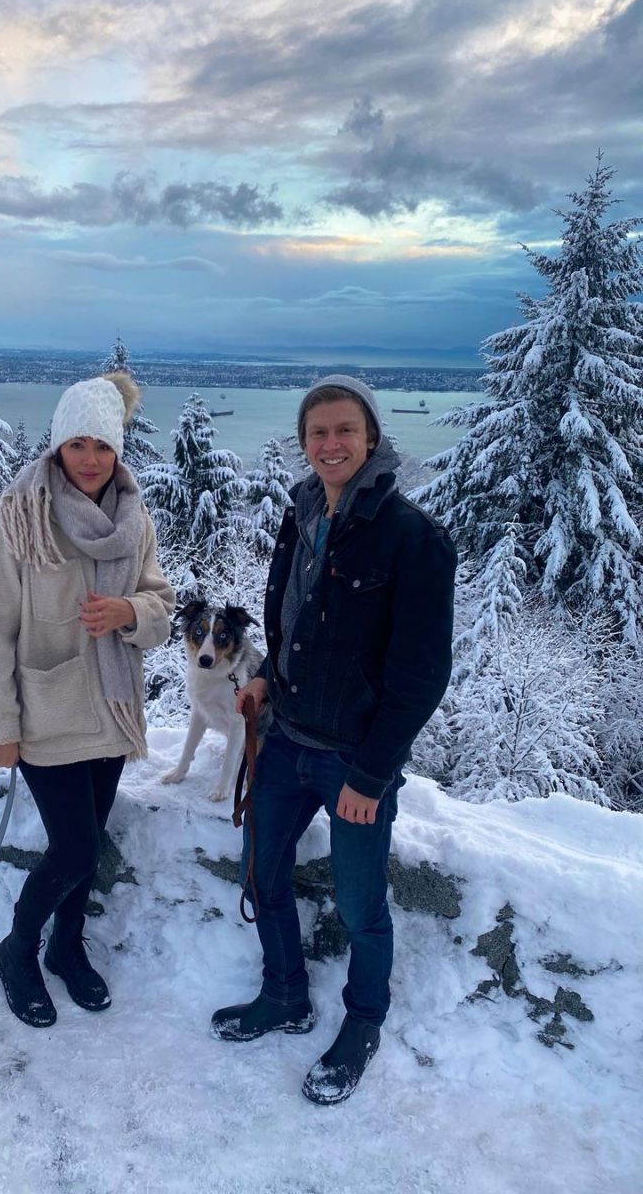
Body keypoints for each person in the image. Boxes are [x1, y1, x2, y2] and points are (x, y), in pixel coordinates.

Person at [211, 374, 456, 1104]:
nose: (330, 444)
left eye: (344, 430)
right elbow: (294, 621)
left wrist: (373, 776)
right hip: (286, 735)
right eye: (317, 432)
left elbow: (420, 677)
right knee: (261, 873)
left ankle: (363, 1022)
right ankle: (285, 993)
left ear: (371, 437)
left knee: (359, 907)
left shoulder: (413, 539)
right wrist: (265, 683)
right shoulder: (302, 513)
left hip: (355, 759)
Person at [0, 372, 175, 1028]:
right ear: (58, 447)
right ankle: (17, 951)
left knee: (85, 846)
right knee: (77, 850)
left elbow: (163, 608)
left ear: (118, 452)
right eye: (78, 444)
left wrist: (128, 611)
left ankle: (64, 945)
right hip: (47, 714)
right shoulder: (21, 516)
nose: (91, 459)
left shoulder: (133, 519)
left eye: (103, 446)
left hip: (111, 713)